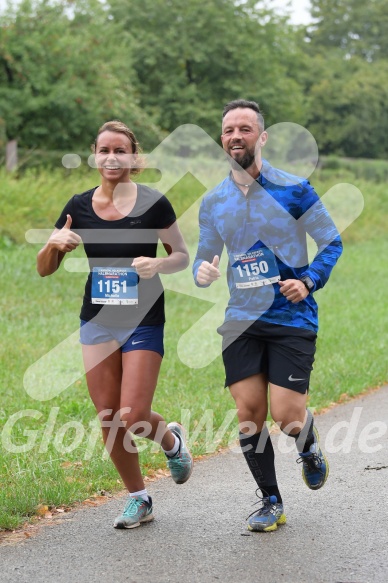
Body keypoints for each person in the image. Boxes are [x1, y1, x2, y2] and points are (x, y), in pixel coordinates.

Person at [193, 100, 342, 532]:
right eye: (227, 130)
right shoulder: (213, 201)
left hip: (291, 316)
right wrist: (202, 270)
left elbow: (331, 243)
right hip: (241, 318)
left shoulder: (295, 188)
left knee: (288, 415)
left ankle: (307, 441)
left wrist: (309, 280)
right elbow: (205, 256)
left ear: (262, 137)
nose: (235, 136)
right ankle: (271, 500)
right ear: (221, 139)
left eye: (244, 128)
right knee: (249, 414)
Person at [37, 120, 193, 529]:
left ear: (134, 157)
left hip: (143, 318)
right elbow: (44, 268)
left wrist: (158, 263)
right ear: (94, 154)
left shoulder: (154, 203)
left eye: (120, 150)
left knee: (134, 413)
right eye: (104, 150)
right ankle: (140, 498)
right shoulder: (79, 205)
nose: (111, 157)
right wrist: (54, 246)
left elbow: (181, 255)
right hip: (98, 321)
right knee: (108, 415)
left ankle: (172, 442)